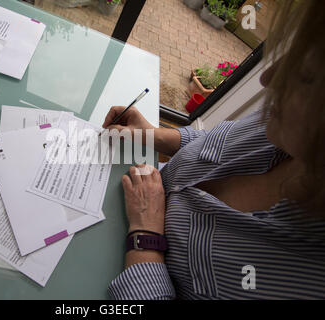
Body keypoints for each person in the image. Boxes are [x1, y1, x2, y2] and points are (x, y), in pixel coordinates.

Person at [105, 0, 325, 299]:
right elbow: (212, 144)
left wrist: (147, 234)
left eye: (306, 77)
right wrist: (152, 135)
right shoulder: (283, 128)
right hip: (123, 197)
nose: (268, 79)